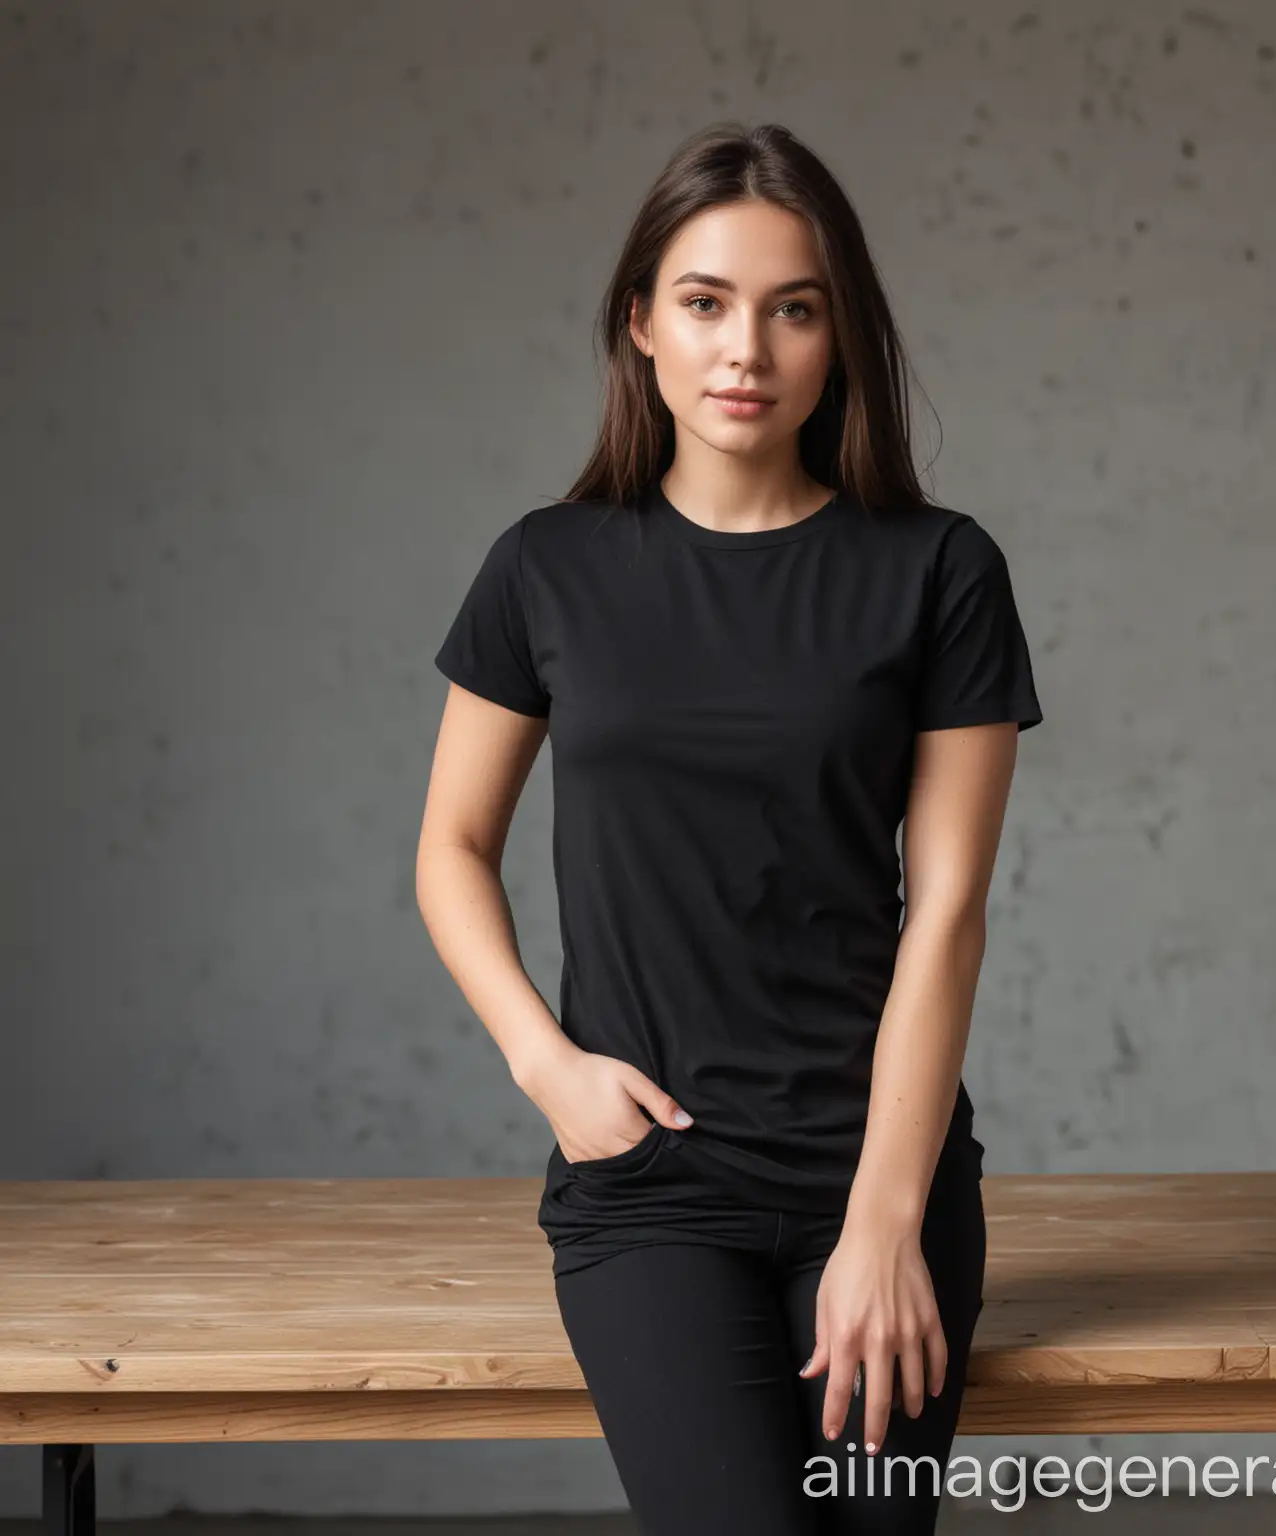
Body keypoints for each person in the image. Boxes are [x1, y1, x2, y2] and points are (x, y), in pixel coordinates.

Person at [417, 121, 1043, 1535]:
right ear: (641, 324)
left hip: (875, 1172)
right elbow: (451, 848)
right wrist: (547, 1067)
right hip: (654, 1188)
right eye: (704, 302)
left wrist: (886, 1222)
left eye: (793, 307)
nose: (744, 347)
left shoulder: (937, 572)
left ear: (841, 339)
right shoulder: (547, 568)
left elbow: (946, 911)